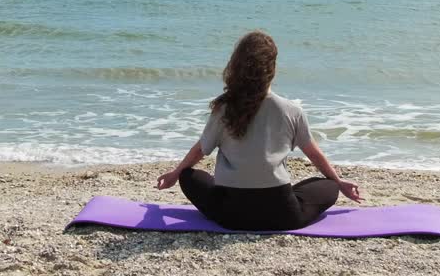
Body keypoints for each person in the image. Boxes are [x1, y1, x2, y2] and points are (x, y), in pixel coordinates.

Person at [155, 30, 362, 231]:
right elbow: (314, 154)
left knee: (189, 177)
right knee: (328, 186)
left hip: (229, 215)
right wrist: (338, 181)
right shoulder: (291, 110)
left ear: (235, 65)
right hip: (282, 214)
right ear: (272, 67)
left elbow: (201, 149)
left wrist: (176, 174)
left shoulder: (224, 108)